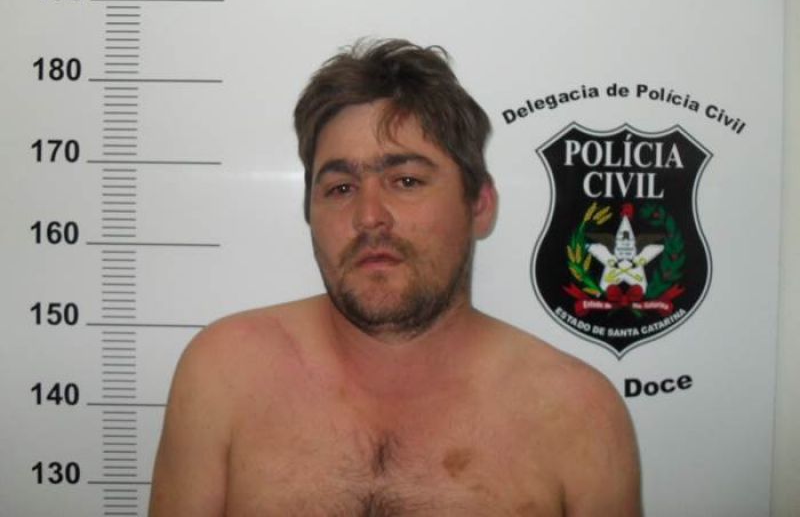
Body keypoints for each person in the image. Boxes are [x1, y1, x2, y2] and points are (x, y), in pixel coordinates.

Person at [149, 39, 642, 516]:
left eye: (406, 181)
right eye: (340, 188)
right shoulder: (226, 376)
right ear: (308, 211)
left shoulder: (576, 416)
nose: (369, 216)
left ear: (479, 205)